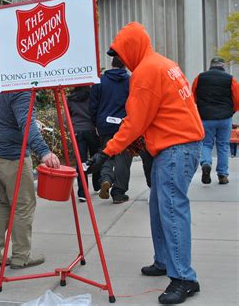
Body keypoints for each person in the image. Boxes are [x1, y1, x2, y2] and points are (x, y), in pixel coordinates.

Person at [86, 22, 204, 304]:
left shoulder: (145, 72)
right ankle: (166, 261)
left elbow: (135, 122)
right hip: (180, 145)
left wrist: (106, 152)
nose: (122, 59)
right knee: (159, 208)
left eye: (122, 52)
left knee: (172, 210)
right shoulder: (162, 63)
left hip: (176, 147)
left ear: (132, 48)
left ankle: (184, 278)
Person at [0, 91, 60, 269]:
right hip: (12, 156)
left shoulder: (4, 87)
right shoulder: (23, 91)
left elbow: (12, 119)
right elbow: (26, 123)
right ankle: (21, 256)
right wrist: (44, 152)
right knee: (24, 204)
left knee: (5, 203)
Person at [90, 56, 132, 204]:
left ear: (111, 64)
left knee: (106, 153)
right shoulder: (130, 81)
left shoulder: (99, 81)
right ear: (125, 65)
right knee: (123, 159)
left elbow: (93, 105)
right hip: (124, 126)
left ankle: (106, 179)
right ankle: (118, 193)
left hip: (104, 125)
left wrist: (96, 124)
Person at [192, 56, 239, 185]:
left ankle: (206, 163)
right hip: (224, 118)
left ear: (211, 65)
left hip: (206, 117)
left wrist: (202, 108)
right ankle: (222, 175)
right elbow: (237, 98)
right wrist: (232, 111)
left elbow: (194, 96)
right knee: (223, 146)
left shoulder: (199, 78)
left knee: (206, 144)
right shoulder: (231, 79)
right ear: (223, 66)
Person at [66, 86, 101, 202]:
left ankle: (82, 192)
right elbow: (96, 111)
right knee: (96, 157)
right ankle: (97, 184)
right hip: (92, 130)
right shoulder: (92, 96)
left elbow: (68, 115)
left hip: (77, 131)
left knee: (81, 162)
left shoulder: (70, 99)